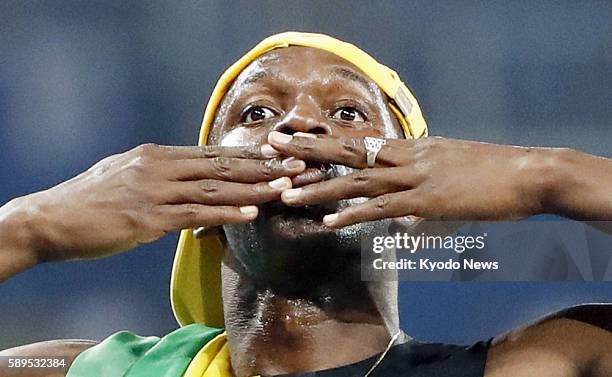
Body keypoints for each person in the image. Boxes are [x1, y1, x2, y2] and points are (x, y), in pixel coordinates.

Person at [0, 32, 611, 377]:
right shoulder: (101, 373)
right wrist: (28, 228)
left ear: (417, 198)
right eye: (258, 113)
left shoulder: (538, 364)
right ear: (197, 203)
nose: (297, 125)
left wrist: (548, 176)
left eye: (348, 114)